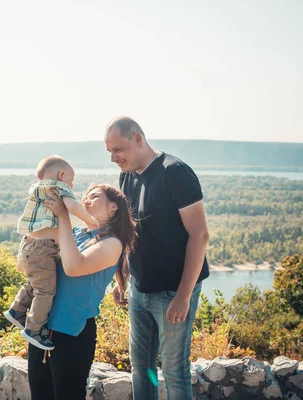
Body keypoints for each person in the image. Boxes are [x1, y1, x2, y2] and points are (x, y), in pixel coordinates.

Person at [104, 116, 210, 399]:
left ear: (138, 139)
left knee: (174, 370)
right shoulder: (126, 175)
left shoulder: (175, 172)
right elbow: (131, 231)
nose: (114, 158)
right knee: (141, 367)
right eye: (110, 152)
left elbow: (199, 236)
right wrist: (122, 278)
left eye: (118, 149)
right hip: (139, 289)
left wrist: (183, 296)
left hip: (173, 291)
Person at [27, 183, 136, 400]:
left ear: (114, 207)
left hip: (73, 334)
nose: (85, 200)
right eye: (85, 196)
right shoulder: (76, 233)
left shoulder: (112, 243)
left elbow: (74, 267)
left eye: (94, 196)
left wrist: (63, 216)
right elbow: (30, 261)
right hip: (41, 330)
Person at [3, 155, 99, 350]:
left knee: (38, 283)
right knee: (46, 290)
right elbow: (72, 206)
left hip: (30, 245)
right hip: (42, 249)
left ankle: (17, 310)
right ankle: (34, 329)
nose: (71, 185)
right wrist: (91, 221)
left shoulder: (37, 190)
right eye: (71, 181)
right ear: (61, 175)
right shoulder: (58, 189)